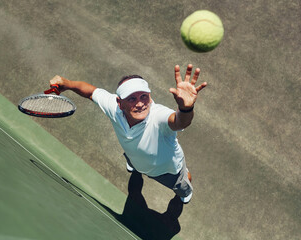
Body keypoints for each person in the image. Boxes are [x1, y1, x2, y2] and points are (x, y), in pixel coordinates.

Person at [49, 64, 207, 204]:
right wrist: (67, 84)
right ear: (120, 103)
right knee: (134, 158)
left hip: (168, 171)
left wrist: (186, 108)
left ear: (150, 97)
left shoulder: (159, 116)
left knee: (184, 186)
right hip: (134, 155)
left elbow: (180, 122)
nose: (140, 104)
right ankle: (135, 165)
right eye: (132, 98)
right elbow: (91, 92)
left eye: (144, 96)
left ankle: (185, 189)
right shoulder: (114, 108)